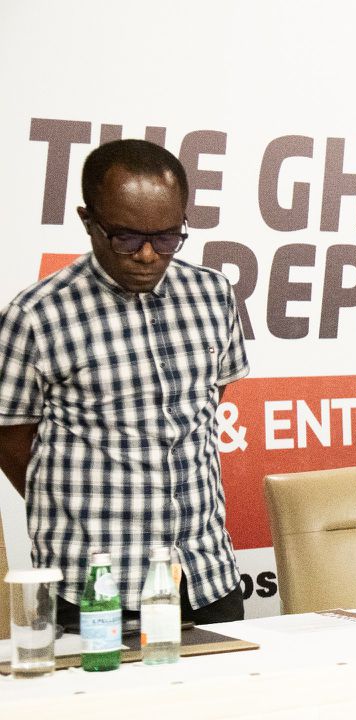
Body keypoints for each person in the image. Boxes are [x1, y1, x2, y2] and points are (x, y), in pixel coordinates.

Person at [0, 139, 250, 624]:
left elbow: (204, 401)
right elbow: (11, 439)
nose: (148, 255)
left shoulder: (213, 293)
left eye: (168, 237)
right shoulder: (36, 316)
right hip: (97, 586)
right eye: (127, 239)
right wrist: (80, 510)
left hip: (206, 575)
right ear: (88, 220)